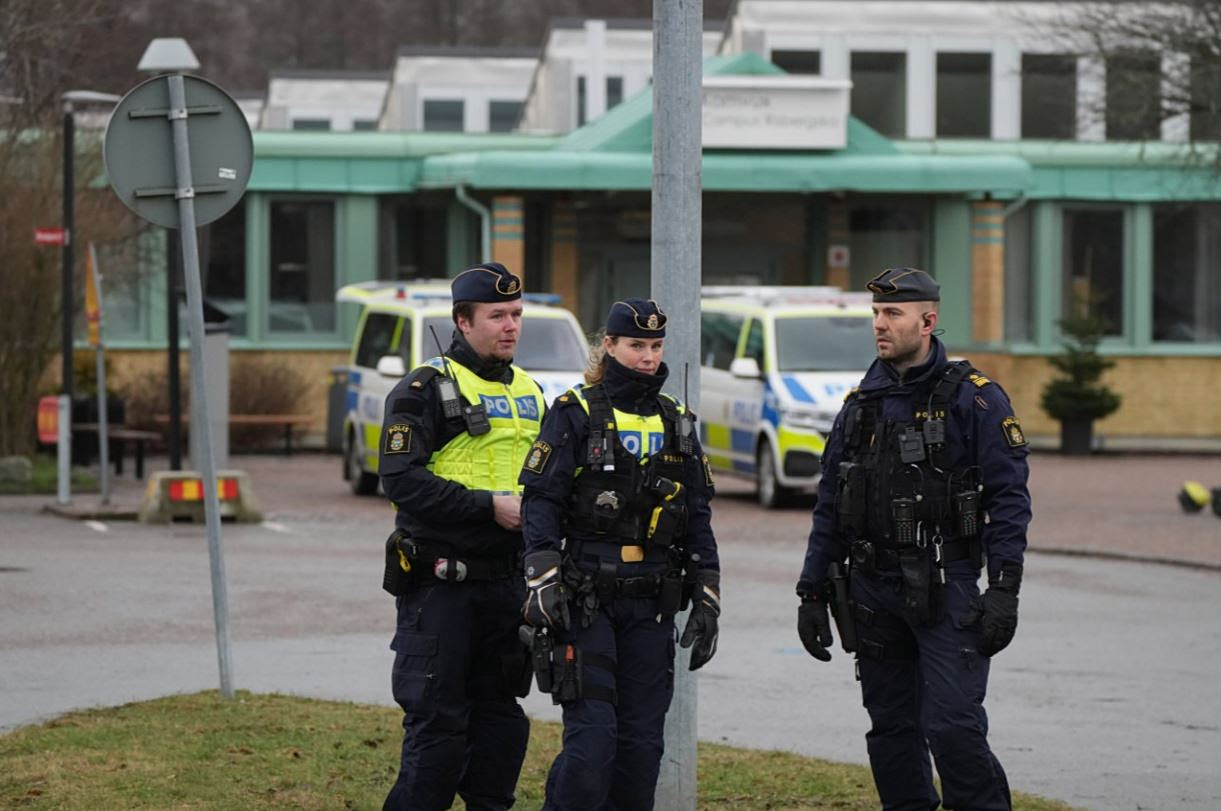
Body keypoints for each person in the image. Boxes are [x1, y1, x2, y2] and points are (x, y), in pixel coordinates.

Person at [796, 268, 1031, 811]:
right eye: (876, 314)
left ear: (927, 322)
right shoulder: (860, 405)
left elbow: (1009, 501)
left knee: (953, 726)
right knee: (892, 730)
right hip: (872, 589)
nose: (880, 324)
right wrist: (811, 592)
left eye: (893, 314)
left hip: (945, 585)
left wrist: (1004, 589)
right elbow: (830, 504)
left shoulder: (973, 400)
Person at [518, 298, 721, 811]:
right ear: (608, 345)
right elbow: (540, 500)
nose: (648, 358)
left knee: (640, 753)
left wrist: (708, 593)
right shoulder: (575, 412)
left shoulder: (677, 421)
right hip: (587, 603)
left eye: (655, 346)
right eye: (636, 346)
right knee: (591, 748)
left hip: (651, 607)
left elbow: (698, 514)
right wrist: (542, 577)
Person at [379, 262, 545, 811]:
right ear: (462, 321)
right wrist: (487, 507)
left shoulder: (532, 391)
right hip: (442, 588)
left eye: (516, 314)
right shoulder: (423, 389)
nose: (510, 326)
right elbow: (401, 480)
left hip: (507, 587)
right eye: (497, 316)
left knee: (501, 729)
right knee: (439, 733)